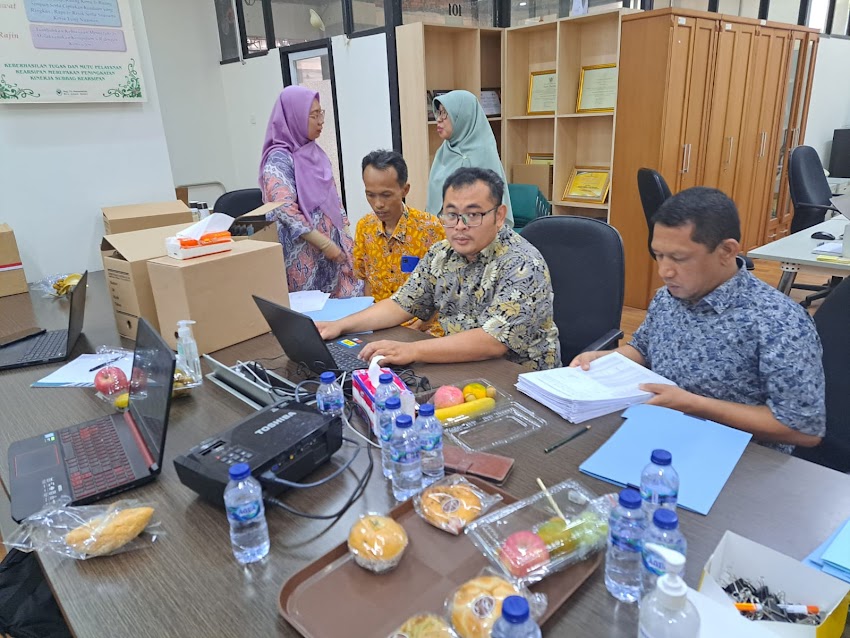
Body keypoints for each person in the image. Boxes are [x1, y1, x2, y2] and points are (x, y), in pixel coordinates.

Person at [571, 187, 826, 453]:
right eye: (658, 255)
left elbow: (803, 429)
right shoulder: (668, 296)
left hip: (738, 455)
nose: (664, 271)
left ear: (726, 251)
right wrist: (604, 360)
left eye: (679, 258)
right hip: (658, 432)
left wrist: (692, 404)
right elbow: (643, 348)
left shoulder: (778, 321)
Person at [317, 167, 560, 370]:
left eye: (473, 214)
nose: (460, 226)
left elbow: (493, 341)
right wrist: (339, 325)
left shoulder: (522, 263)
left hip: (520, 379)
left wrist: (412, 350)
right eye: (451, 215)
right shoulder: (441, 253)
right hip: (462, 365)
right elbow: (401, 304)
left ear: (499, 216)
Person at [259, 85, 363, 297]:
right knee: (311, 309)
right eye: (313, 115)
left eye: (320, 113)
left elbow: (334, 199)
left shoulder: (317, 154)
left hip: (333, 253)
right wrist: (324, 244)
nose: (320, 121)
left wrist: (345, 237)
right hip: (302, 256)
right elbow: (284, 208)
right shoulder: (278, 159)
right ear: (294, 117)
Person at [354, 150, 446, 336]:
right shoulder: (364, 227)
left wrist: (414, 330)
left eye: (386, 195)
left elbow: (443, 289)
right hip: (379, 325)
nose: (378, 204)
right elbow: (366, 282)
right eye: (370, 195)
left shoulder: (430, 229)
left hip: (423, 328)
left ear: (405, 190)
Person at [427, 90, 514, 227]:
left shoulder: (483, 152)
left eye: (445, 113)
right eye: (439, 112)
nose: (438, 119)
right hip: (440, 229)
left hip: (473, 232)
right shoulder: (444, 151)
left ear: (464, 116)